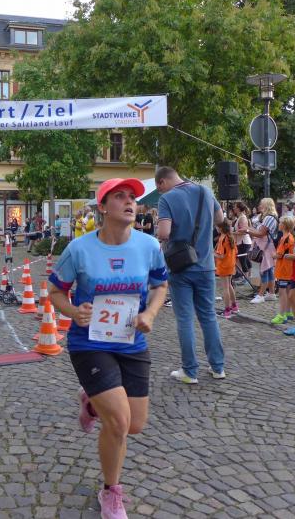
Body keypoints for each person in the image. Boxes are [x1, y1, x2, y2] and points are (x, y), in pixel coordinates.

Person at [48, 177, 168, 519]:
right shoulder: (79, 249)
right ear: (102, 207)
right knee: (118, 422)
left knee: (135, 425)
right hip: (90, 343)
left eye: (132, 197)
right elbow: (55, 292)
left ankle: (91, 402)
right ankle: (111, 492)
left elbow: (160, 285)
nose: (130, 202)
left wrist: (150, 313)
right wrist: (74, 311)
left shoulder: (149, 246)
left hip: (131, 342)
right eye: (120, 196)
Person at [155, 166, 226, 384]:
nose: (161, 191)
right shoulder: (205, 191)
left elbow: (164, 233)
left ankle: (190, 371)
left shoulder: (167, 199)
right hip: (206, 265)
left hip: (181, 267)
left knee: (185, 318)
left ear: (162, 182)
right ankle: (218, 367)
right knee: (209, 316)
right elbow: (220, 219)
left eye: (159, 188)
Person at [243, 197, 278, 304]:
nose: (259, 206)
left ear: (266, 205)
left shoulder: (268, 218)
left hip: (265, 247)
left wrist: (247, 230)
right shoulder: (269, 217)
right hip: (267, 246)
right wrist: (248, 229)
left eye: (261, 204)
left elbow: (261, 234)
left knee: (264, 270)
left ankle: (261, 295)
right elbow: (260, 231)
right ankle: (271, 293)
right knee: (269, 270)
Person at [271, 216, 295, 325]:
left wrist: (273, 255)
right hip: (289, 268)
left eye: (280, 222)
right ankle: (288, 312)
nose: (279, 224)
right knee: (288, 291)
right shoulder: (290, 236)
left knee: (282, 293)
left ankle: (281, 315)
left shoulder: (285, 238)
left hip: (284, 269)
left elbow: (279, 254)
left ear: (284, 225)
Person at [214, 218, 237, 318]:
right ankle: (234, 306)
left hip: (223, 266)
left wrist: (212, 253)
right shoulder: (230, 237)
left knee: (225, 288)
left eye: (217, 226)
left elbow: (221, 255)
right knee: (230, 286)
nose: (216, 228)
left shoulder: (222, 238)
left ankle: (227, 310)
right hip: (231, 264)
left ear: (221, 228)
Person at [232, 201, 252, 281]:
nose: (234, 208)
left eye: (235, 207)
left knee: (242, 260)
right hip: (242, 242)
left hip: (244, 242)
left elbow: (244, 231)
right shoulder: (240, 217)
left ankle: (246, 279)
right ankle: (247, 277)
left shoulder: (242, 218)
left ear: (238, 208)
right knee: (244, 259)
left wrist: (232, 233)